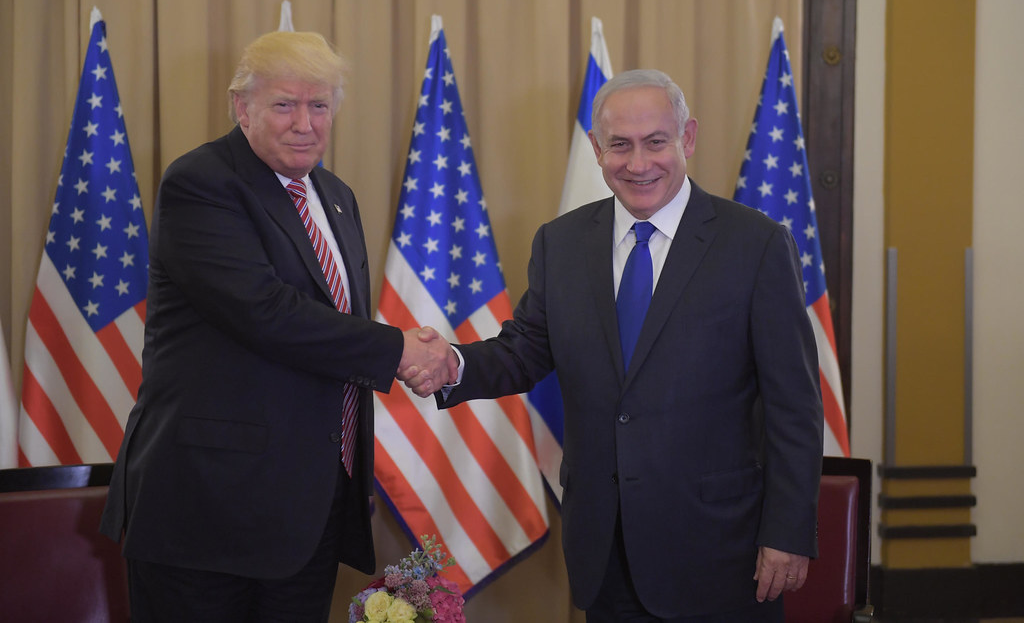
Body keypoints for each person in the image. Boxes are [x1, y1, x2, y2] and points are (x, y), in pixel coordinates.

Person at [403, 69, 824, 621]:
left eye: (656, 142)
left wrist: (788, 532)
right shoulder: (562, 242)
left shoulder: (756, 244)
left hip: (722, 552)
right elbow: (523, 350)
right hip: (605, 549)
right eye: (619, 146)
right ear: (597, 150)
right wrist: (450, 363)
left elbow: (795, 406)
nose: (639, 163)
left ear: (687, 139)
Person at [100, 30, 453, 622]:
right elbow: (265, 312)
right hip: (208, 510)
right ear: (243, 107)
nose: (304, 123)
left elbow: (334, 324)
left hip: (307, 509)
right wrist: (397, 349)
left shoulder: (335, 196)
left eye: (319, 105)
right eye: (284, 104)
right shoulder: (203, 183)